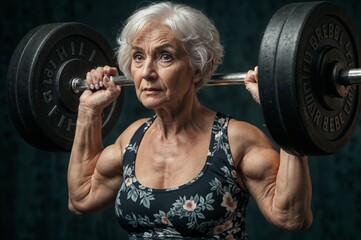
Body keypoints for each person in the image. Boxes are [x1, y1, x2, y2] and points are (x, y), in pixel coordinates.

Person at [67, 2, 313, 239]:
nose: (147, 72)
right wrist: (89, 111)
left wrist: (286, 110)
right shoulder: (133, 139)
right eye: (139, 57)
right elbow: (82, 198)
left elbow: (291, 217)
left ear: (198, 66)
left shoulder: (235, 140)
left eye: (165, 57)